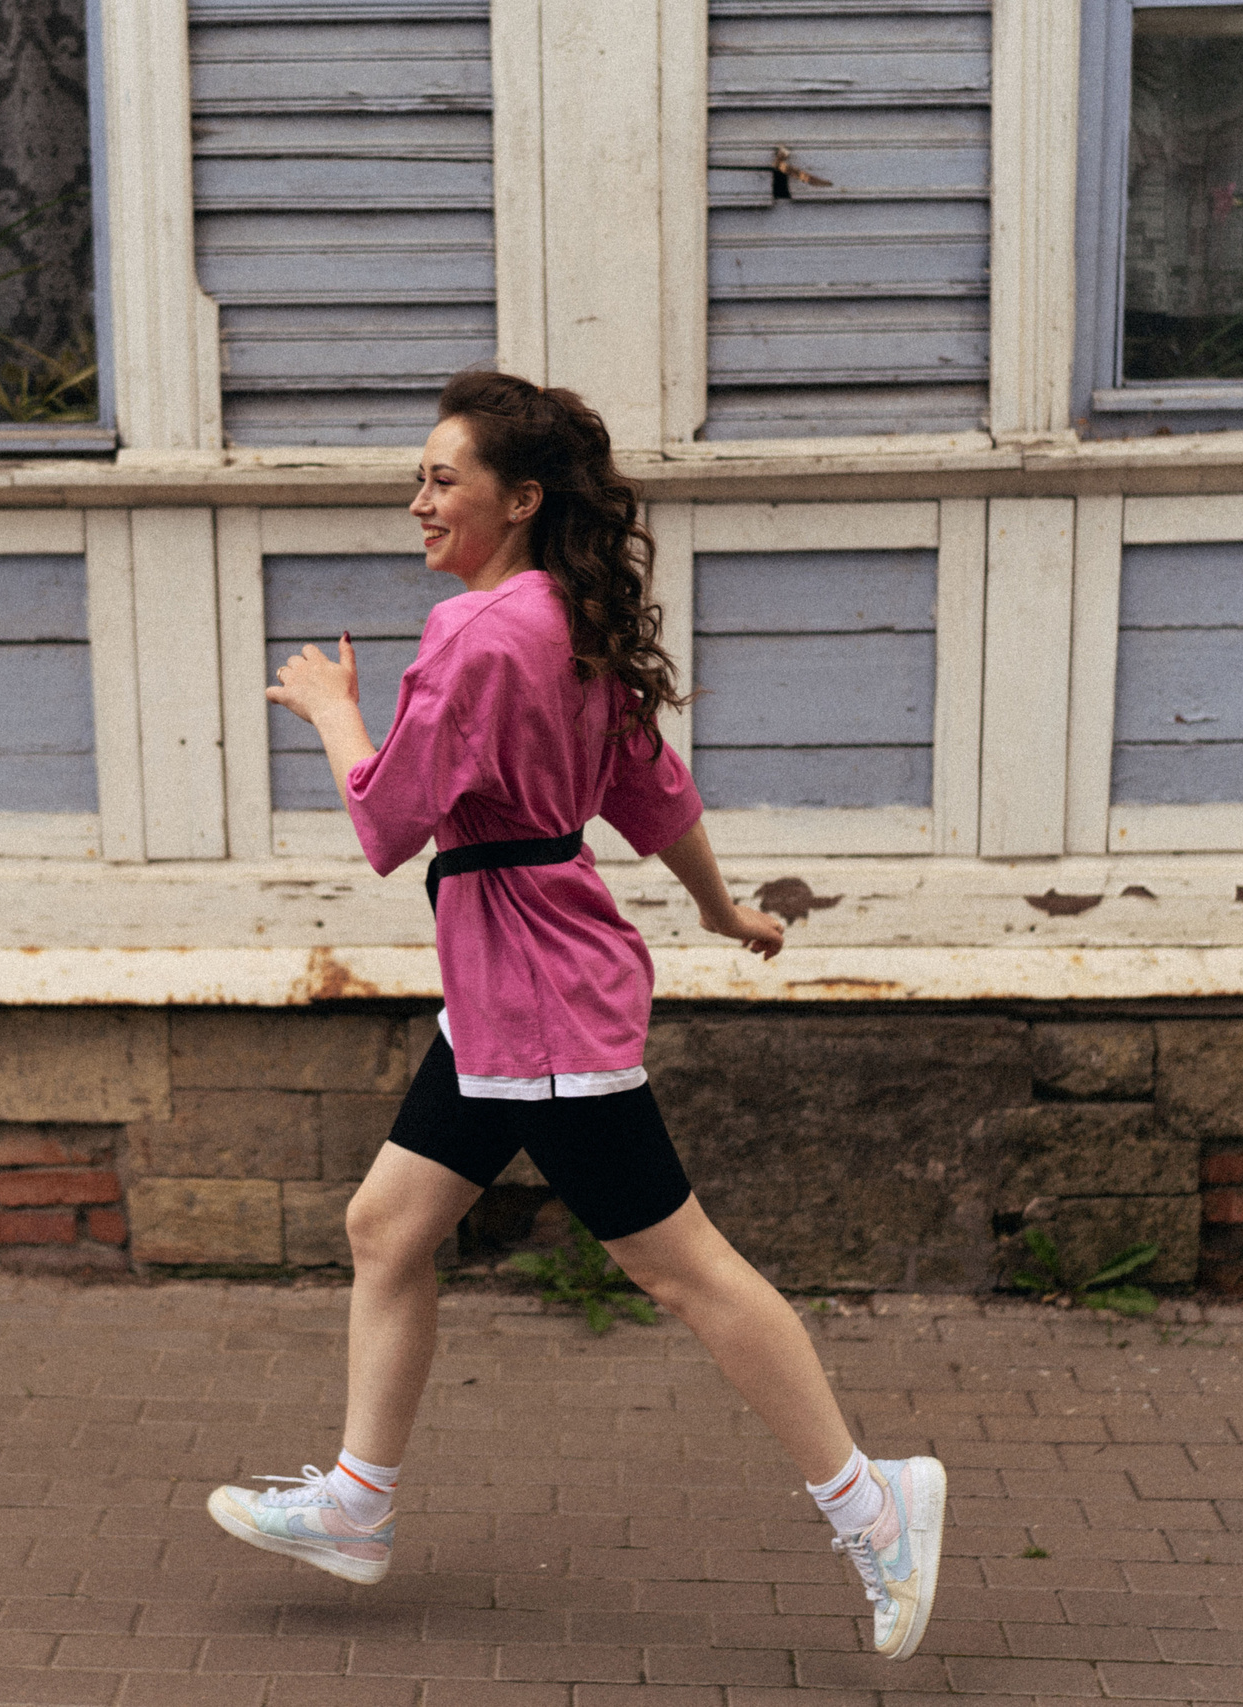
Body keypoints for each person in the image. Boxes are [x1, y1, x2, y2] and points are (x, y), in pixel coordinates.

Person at [206, 370, 946, 1661]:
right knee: (385, 1227)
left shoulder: (478, 637)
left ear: (521, 498)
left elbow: (387, 824)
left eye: (444, 478)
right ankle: (358, 1508)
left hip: (541, 1016)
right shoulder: (569, 620)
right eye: (420, 477)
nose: (419, 500)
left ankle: (877, 1504)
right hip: (506, 999)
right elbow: (655, 794)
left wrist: (332, 713)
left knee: (683, 1272)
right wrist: (721, 913)